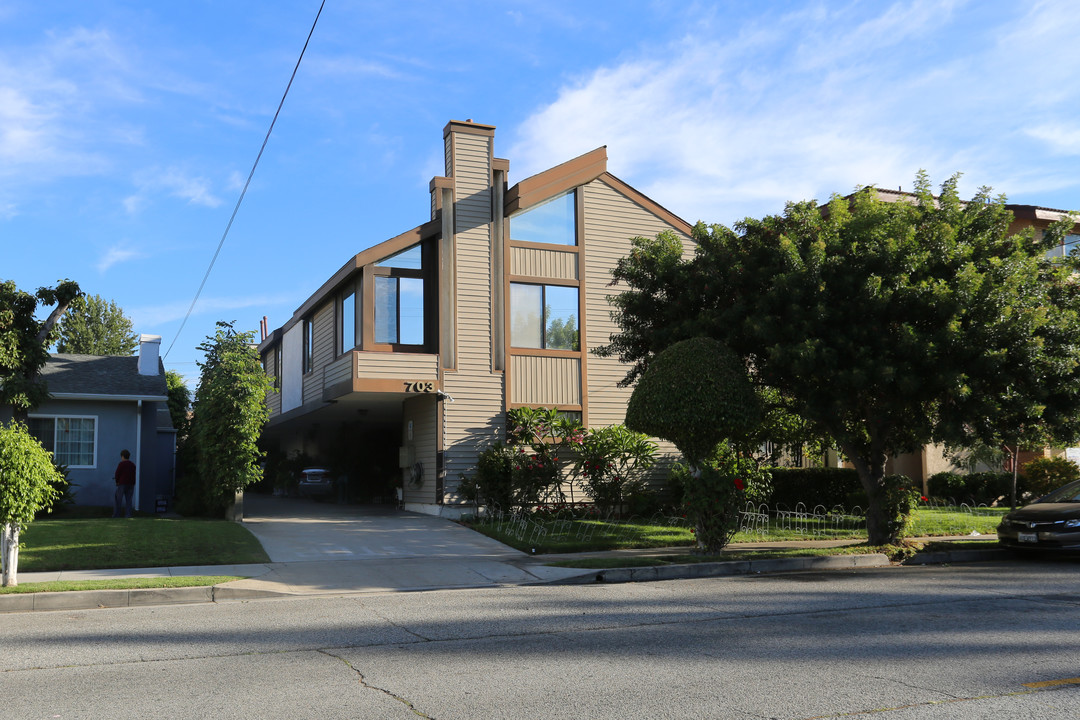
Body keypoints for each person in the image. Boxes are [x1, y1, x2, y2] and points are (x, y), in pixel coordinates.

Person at [113, 449, 136, 518]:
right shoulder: (132, 465)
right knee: (129, 500)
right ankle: (128, 515)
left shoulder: (121, 464)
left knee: (118, 499)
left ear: (122, 456)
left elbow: (117, 473)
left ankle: (117, 515)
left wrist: (117, 482)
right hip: (131, 484)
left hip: (122, 483)